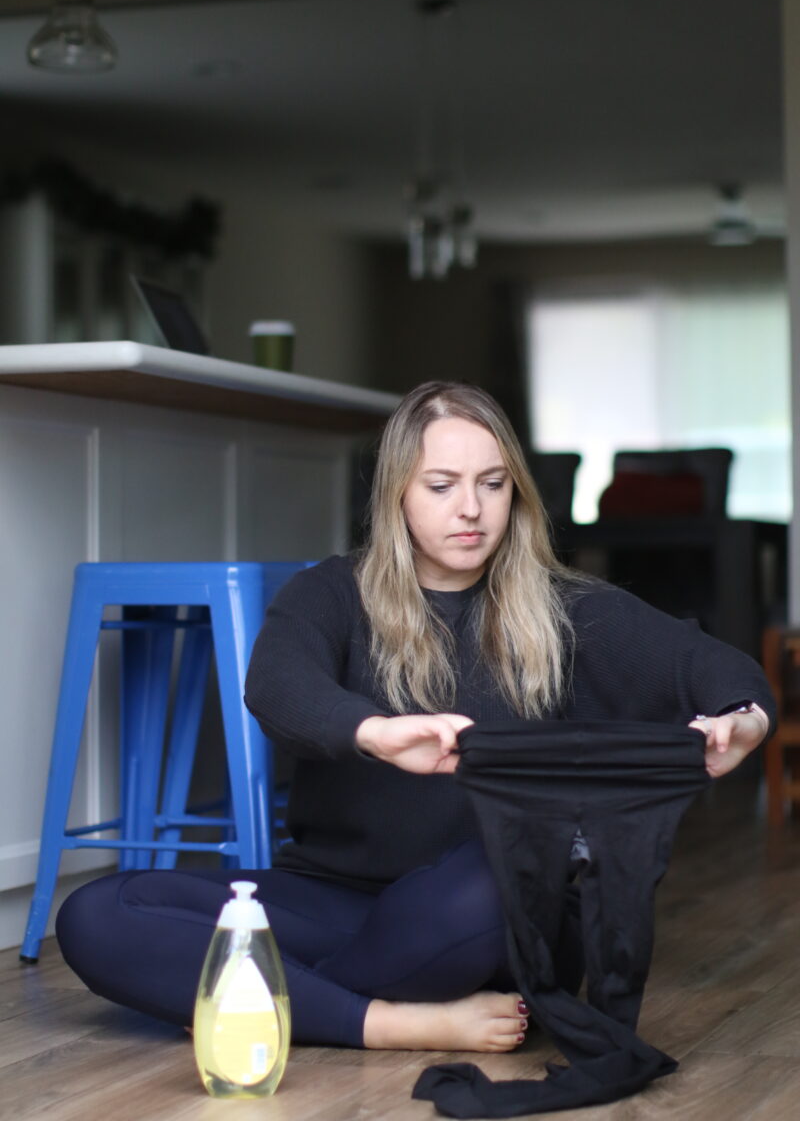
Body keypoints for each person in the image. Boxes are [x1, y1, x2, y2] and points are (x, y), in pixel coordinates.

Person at [56, 380, 773, 1053]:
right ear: (397, 494)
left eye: (492, 485)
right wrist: (373, 732)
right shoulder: (330, 593)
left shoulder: (568, 608)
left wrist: (745, 718)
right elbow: (277, 683)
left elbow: (701, 662)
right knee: (98, 915)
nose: (472, 509)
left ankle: (276, 997)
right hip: (335, 900)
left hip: (488, 913)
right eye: (442, 486)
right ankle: (385, 1021)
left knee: (509, 872)